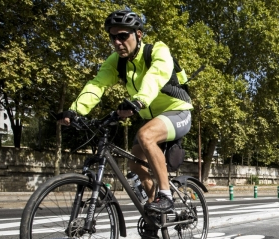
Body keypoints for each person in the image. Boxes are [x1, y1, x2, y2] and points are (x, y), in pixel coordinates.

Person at [58, 10, 192, 218]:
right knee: (134, 164)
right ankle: (154, 210)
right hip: (152, 117)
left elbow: (156, 75)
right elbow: (97, 84)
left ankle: (166, 196)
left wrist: (139, 100)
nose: (117, 42)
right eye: (113, 37)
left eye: (123, 36)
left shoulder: (158, 50)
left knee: (146, 135)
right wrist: (75, 110)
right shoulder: (116, 62)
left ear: (138, 34)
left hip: (178, 111)